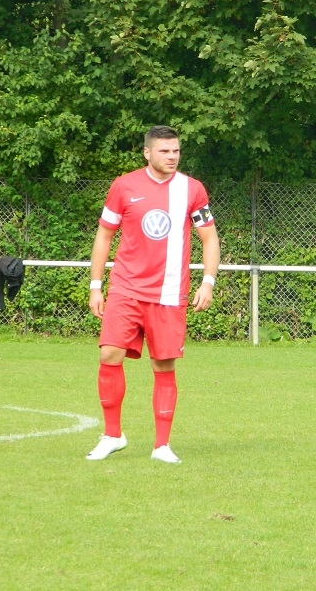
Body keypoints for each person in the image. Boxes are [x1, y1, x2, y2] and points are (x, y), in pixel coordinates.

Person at [85, 125, 220, 464]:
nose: (172, 156)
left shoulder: (192, 189)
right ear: (147, 153)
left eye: (176, 151)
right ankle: (112, 435)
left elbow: (209, 238)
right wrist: (96, 286)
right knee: (109, 354)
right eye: (164, 151)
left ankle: (162, 446)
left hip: (169, 293)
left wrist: (208, 281)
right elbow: (104, 236)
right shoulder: (124, 186)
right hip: (126, 288)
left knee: (163, 364)